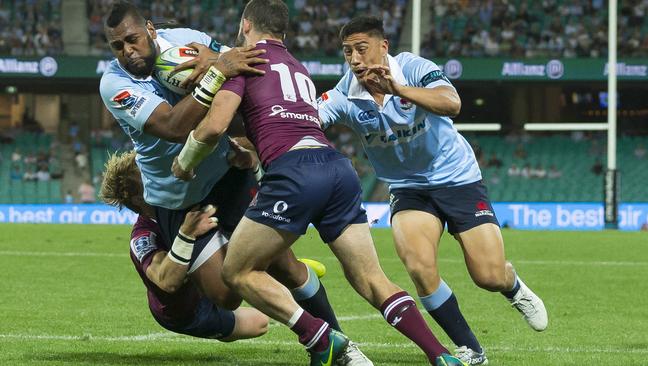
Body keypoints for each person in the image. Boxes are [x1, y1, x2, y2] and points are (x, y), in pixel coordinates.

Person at [172, 2, 464, 365]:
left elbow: (214, 126)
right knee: (372, 279)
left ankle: (320, 337)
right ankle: (442, 356)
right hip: (337, 169)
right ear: (284, 32)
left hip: (294, 171)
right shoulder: (298, 67)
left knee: (236, 270)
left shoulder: (240, 61)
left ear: (245, 24)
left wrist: (184, 162)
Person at [98, 2, 363, 362]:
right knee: (226, 293)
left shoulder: (187, 40)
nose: (128, 51)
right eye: (118, 46)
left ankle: (339, 345)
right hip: (178, 197)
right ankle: (322, 337)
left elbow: (244, 61)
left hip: (227, 173)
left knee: (285, 266)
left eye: (132, 39)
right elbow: (175, 127)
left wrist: (215, 60)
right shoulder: (114, 83)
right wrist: (215, 73)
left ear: (149, 29)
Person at [318, 16, 548, 365]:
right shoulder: (343, 95)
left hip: (457, 177)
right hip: (409, 188)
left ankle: (512, 285)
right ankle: (471, 349)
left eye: (362, 49)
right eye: (348, 51)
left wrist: (399, 89)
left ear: (384, 47)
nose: (354, 59)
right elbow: (309, 118)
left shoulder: (412, 67)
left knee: (488, 275)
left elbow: (451, 103)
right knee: (420, 267)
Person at [100, 150, 268, 341]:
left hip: (206, 278)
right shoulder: (143, 237)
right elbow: (167, 281)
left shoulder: (182, 199)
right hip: (189, 312)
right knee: (261, 323)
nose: (158, 176)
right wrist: (185, 235)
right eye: (149, 176)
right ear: (139, 198)